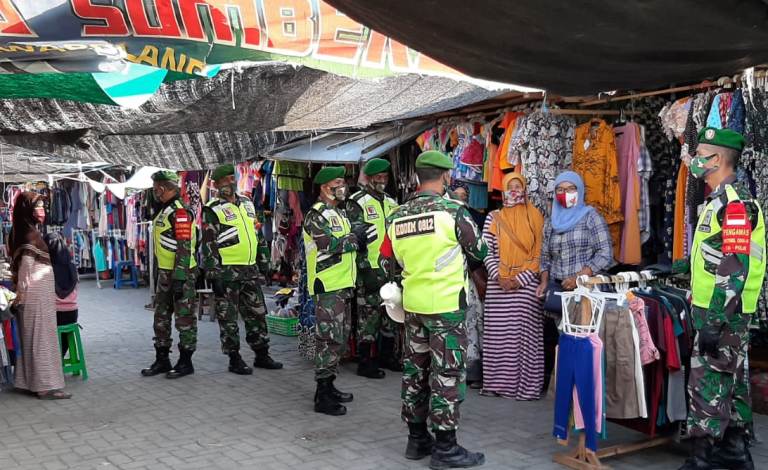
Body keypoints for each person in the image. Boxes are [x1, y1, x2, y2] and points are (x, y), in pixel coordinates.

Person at [380, 150, 488, 469]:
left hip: (413, 307)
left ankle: (416, 440)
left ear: (417, 177)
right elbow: (479, 251)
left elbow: (385, 262)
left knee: (415, 371)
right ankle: (445, 448)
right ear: (444, 177)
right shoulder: (453, 212)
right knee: (447, 374)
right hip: (446, 308)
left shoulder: (396, 217)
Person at [678, 128, 765, 470]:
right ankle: (734, 450)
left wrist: (715, 320)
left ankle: (701, 457)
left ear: (716, 159)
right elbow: (713, 254)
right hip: (719, 308)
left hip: (724, 311)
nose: (694, 161)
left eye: (700, 155)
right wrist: (678, 267)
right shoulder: (718, 201)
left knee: (707, 380)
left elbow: (735, 267)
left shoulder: (735, 204)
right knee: (732, 379)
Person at [535, 171, 613, 396]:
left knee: (585, 344)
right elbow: (545, 257)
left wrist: (580, 277)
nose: (565, 194)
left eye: (570, 189)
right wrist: (544, 281)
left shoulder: (590, 217)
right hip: (560, 293)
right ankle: (568, 395)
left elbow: (605, 253)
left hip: (586, 292)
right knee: (565, 342)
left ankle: (587, 394)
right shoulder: (551, 222)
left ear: (579, 191)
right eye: (560, 190)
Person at [202, 164, 282, 375]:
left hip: (250, 269)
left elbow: (257, 234)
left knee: (257, 313)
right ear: (216, 184)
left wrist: (264, 262)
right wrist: (213, 274)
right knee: (228, 317)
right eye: (225, 180)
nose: (230, 182)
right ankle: (234, 358)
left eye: (232, 178)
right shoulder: (212, 209)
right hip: (226, 272)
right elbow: (208, 244)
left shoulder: (247, 203)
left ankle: (262, 354)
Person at [303, 166, 365, 416]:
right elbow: (326, 243)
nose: (343, 187)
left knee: (339, 339)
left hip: (342, 284)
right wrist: (355, 239)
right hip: (327, 285)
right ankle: (322, 395)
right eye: (338, 183)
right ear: (324, 187)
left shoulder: (338, 213)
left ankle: (329, 385)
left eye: (343, 182)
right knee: (327, 340)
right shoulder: (315, 215)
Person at [481, 172, 545, 400]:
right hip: (498, 285)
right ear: (503, 190)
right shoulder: (493, 217)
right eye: (511, 186)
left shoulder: (535, 216)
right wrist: (498, 276)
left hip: (525, 285)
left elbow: (540, 253)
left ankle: (525, 388)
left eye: (519, 186)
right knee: (498, 338)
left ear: (525, 189)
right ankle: (496, 385)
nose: (515, 191)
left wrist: (521, 279)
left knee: (523, 340)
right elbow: (485, 250)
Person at [9, 192, 70, 399]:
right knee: (41, 339)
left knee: (31, 338)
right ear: (27, 210)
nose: (42, 210)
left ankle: (26, 382)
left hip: (34, 295)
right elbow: (26, 268)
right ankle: (44, 386)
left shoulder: (24, 231)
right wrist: (21, 294)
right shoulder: (28, 234)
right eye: (37, 206)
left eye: (43, 206)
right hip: (34, 295)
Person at [344, 158, 400, 379]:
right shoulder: (357, 202)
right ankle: (365, 362)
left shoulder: (392, 202)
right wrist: (364, 269)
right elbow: (356, 238)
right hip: (369, 268)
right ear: (368, 178)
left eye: (385, 177)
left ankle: (387, 356)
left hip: (390, 268)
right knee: (369, 316)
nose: (382, 181)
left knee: (391, 313)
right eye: (378, 177)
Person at [141, 170, 198, 379]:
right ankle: (162, 359)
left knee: (184, 318)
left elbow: (184, 246)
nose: (154, 192)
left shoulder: (180, 212)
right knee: (161, 317)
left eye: (156, 189)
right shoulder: (164, 210)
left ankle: (185, 362)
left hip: (181, 273)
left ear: (163, 188)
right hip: (165, 273)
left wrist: (180, 277)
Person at [43, 232, 79, 358]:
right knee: (63, 339)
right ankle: (59, 358)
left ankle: (53, 360)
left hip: (55, 314)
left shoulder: (46, 269)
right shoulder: (72, 267)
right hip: (72, 313)